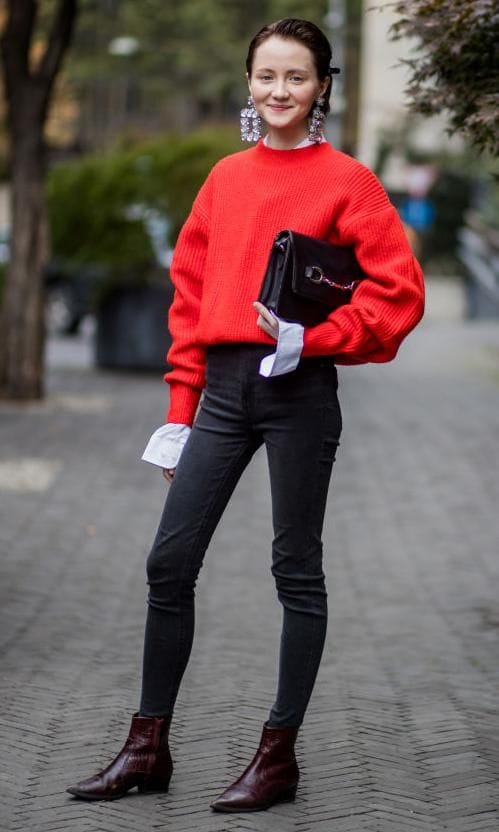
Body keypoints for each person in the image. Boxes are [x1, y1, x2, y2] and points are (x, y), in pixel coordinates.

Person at [66, 17, 425, 812]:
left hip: (300, 391)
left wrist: (318, 335)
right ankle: (146, 747)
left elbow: (399, 292)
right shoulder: (225, 179)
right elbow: (190, 296)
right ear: (248, 83)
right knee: (169, 562)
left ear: (322, 85)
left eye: (295, 77)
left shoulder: (348, 183)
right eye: (265, 76)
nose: (278, 92)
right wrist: (179, 408)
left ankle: (277, 757)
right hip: (225, 389)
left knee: (295, 570)